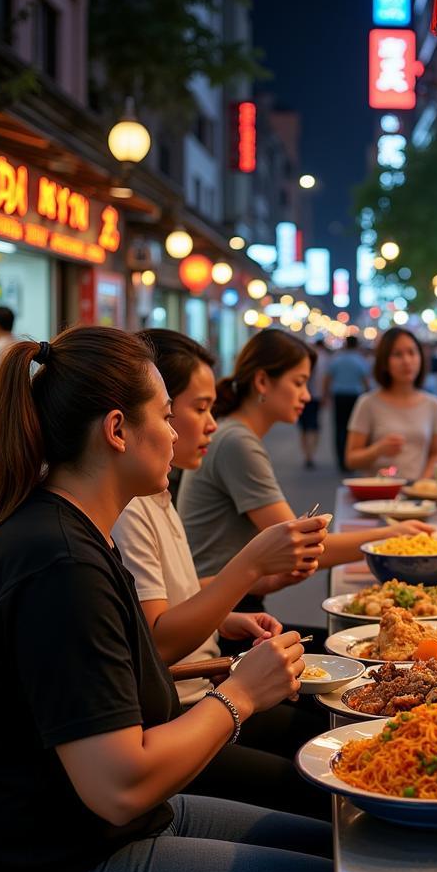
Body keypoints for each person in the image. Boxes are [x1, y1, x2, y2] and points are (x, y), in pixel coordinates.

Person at [0, 326, 336, 872]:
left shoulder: (76, 532)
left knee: (344, 850)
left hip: (84, 839)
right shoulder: (60, 562)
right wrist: (239, 697)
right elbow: (119, 784)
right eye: (168, 415)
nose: (179, 434)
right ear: (118, 429)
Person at [111, 329, 331, 816]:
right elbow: (157, 639)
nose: (209, 425)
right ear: (122, 426)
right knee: (321, 776)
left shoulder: (156, 493)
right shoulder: (123, 511)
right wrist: (250, 566)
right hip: (184, 710)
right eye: (188, 411)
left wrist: (229, 615)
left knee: (331, 720)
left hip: (204, 687)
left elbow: (173, 598)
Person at [178, 328, 433, 651]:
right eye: (298, 383)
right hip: (219, 618)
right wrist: (394, 538)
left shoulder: (238, 436)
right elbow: (297, 544)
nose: (307, 395)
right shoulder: (237, 441)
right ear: (262, 383)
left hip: (231, 608)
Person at [345, 327, 437, 480]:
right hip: (378, 496)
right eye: (397, 354)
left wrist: (422, 483)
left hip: (418, 497)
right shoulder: (367, 403)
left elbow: (435, 454)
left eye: (412, 353)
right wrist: (378, 450)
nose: (407, 361)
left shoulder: (433, 404)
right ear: (384, 361)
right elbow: (351, 460)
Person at [325, 334, 370, 470]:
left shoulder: (337, 359)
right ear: (356, 345)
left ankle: (341, 459)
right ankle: (349, 458)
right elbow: (366, 381)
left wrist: (325, 395)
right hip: (355, 398)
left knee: (339, 428)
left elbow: (327, 378)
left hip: (339, 396)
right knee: (353, 428)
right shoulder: (360, 360)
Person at [299, 336, 328, 469]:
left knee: (304, 427)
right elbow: (325, 380)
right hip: (315, 396)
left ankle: (308, 454)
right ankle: (311, 454)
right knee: (314, 426)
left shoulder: (303, 359)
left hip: (304, 396)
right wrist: (324, 396)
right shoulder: (324, 359)